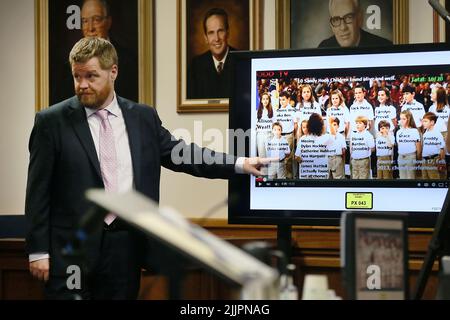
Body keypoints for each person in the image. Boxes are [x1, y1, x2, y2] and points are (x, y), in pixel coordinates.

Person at [26, 37, 266, 300]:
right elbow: (38, 193)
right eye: (77, 76)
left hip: (126, 251)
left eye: (91, 76)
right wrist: (38, 251)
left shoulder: (143, 117)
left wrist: (239, 163)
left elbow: (183, 154)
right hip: (71, 253)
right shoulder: (51, 122)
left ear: (113, 71)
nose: (82, 85)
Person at [51, 0, 139, 104]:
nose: (90, 28)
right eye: (85, 21)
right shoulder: (67, 65)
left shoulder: (129, 60)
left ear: (108, 22)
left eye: (96, 20)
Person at [187, 8, 234, 99]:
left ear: (227, 33)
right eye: (211, 33)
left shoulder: (241, 61)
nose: (216, 38)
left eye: (220, 31)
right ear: (206, 38)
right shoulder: (195, 66)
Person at [318, 0, 392, 48]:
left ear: (359, 19)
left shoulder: (383, 46)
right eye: (336, 19)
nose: (343, 27)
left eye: (348, 17)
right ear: (331, 25)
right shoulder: (323, 48)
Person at [396, 110, 421, 179]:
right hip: (400, 157)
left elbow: (418, 147)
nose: (401, 121)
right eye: (400, 119)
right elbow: (399, 145)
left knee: (411, 178)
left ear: (409, 119)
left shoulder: (414, 131)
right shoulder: (398, 132)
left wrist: (418, 159)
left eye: (404, 119)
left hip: (410, 157)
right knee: (402, 178)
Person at [421, 112, 446, 179]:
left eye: (425, 121)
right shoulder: (425, 133)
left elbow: (442, 149)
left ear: (432, 122)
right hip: (424, 160)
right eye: (423, 121)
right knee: (425, 180)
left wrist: (442, 162)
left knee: (434, 179)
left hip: (433, 160)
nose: (423, 123)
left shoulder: (437, 133)